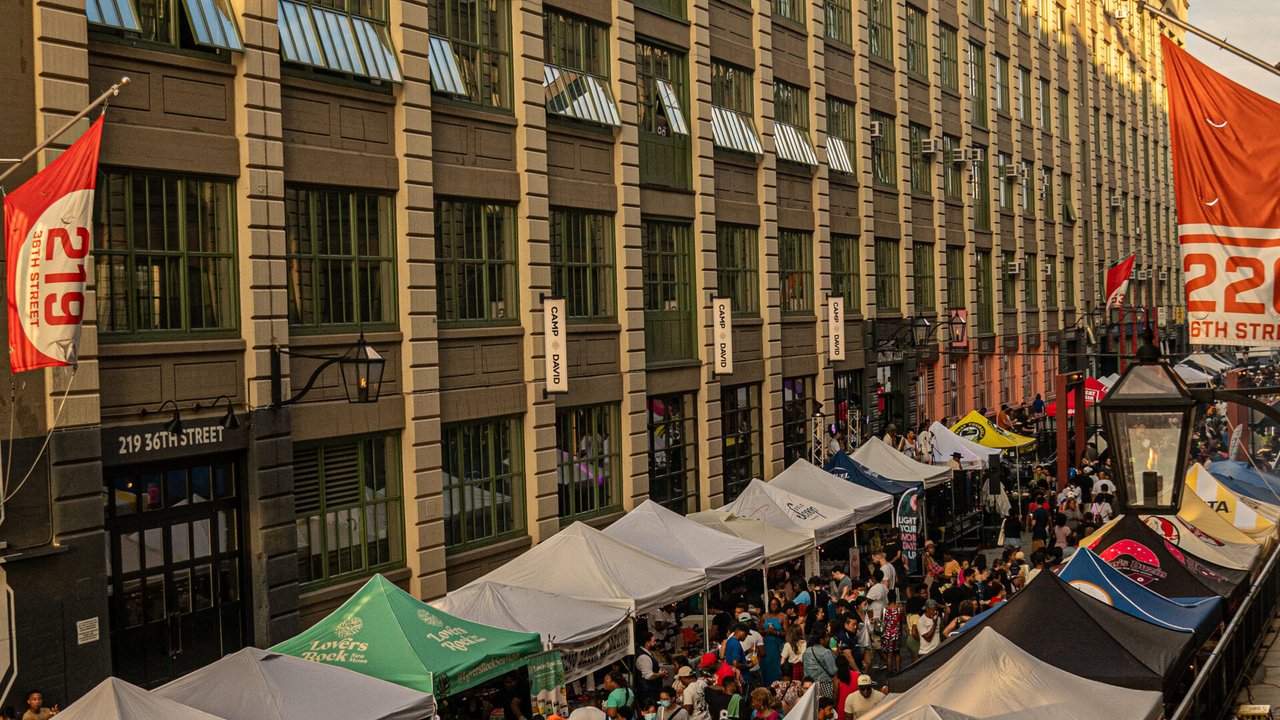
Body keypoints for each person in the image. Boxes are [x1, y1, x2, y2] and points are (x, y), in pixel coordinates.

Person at [802, 628, 837, 700]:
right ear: (821, 640)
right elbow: (833, 671)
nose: (829, 639)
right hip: (825, 686)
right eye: (827, 637)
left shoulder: (807, 651)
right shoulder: (826, 652)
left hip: (810, 686)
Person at [760, 598, 788, 685]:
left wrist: (776, 633)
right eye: (772, 604)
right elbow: (759, 630)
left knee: (776, 667)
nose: (774, 606)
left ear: (778, 605)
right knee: (766, 666)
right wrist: (766, 631)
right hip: (767, 645)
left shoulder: (783, 617)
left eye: (775, 604)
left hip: (777, 646)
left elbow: (787, 633)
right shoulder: (764, 616)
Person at [635, 631, 668, 704]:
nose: (655, 643)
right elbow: (649, 676)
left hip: (652, 692)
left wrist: (659, 671)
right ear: (647, 642)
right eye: (654, 641)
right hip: (648, 693)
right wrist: (661, 674)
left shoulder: (646, 653)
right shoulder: (643, 657)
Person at [879, 596, 904, 674]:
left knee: (889, 654)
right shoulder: (900, 609)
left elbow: (882, 621)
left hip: (887, 634)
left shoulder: (884, 609)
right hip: (897, 634)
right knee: (897, 653)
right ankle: (898, 669)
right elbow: (903, 620)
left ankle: (889, 671)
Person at [832, 655, 859, 720]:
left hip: (843, 708)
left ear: (837, 666)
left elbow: (835, 695)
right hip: (856, 705)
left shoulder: (837, 679)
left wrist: (834, 706)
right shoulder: (857, 674)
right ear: (848, 663)